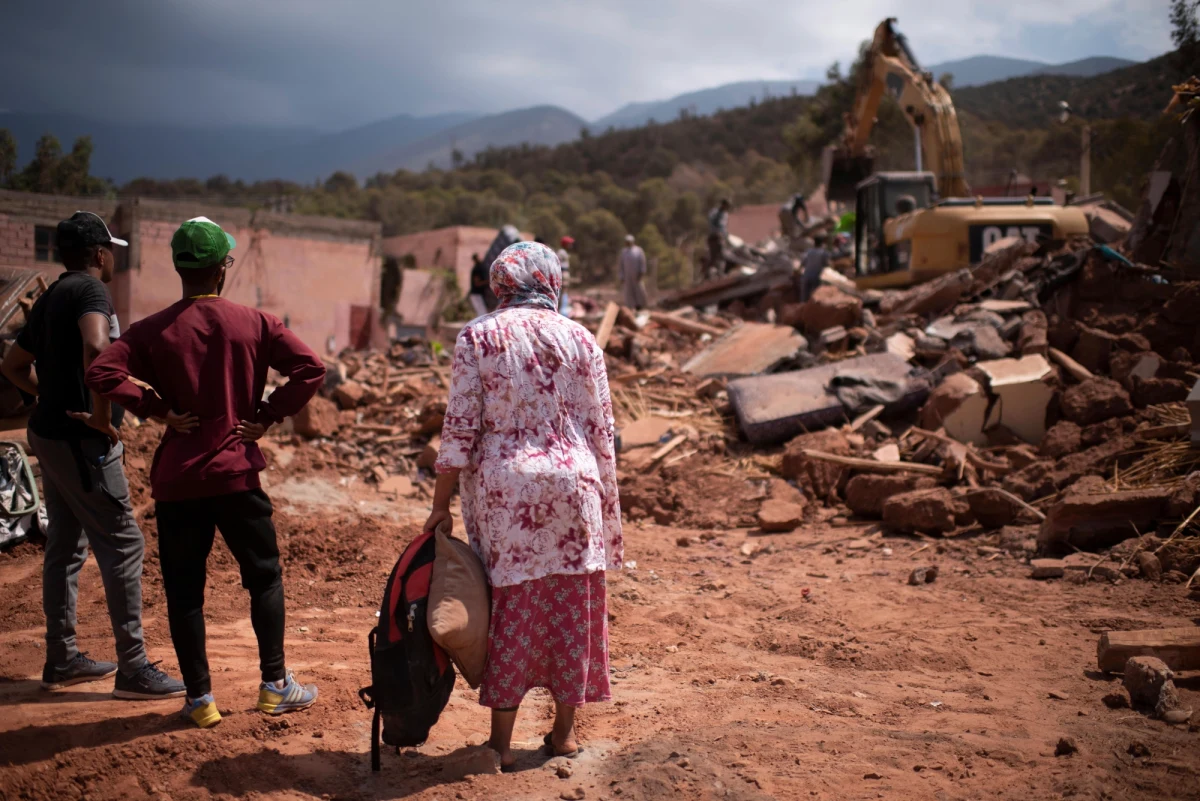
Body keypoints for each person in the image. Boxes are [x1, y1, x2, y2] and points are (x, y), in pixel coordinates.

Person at [84, 217, 326, 729]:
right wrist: (265, 415)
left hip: (179, 481)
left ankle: (200, 700)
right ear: (221, 268)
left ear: (179, 269)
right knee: (263, 577)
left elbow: (101, 371)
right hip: (236, 473)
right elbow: (311, 369)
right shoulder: (257, 323)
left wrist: (155, 408)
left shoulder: (153, 329)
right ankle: (275, 685)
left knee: (184, 591)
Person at [423, 242, 621, 771]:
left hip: (508, 496)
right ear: (551, 281)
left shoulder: (479, 335)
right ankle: (564, 737)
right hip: (576, 489)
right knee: (573, 609)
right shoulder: (582, 339)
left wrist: (440, 506)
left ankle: (502, 746)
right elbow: (603, 431)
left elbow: (459, 427)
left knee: (512, 607)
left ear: (499, 283)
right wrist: (605, 506)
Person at [0, 211, 185, 700]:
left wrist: (46, 399)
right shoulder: (91, 293)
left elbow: (13, 364)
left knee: (64, 546)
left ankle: (61, 658)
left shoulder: (50, 297)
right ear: (100, 253)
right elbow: (97, 348)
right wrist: (102, 418)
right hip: (83, 444)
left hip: (48, 435)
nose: (113, 259)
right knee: (125, 544)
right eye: (111, 251)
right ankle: (134, 668)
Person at [798, 234, 831, 302]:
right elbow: (827, 264)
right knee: (815, 297)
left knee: (804, 298)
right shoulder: (824, 253)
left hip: (806, 276)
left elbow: (802, 263)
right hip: (816, 277)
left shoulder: (808, 252)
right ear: (822, 243)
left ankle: (804, 309)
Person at [618, 234, 647, 310]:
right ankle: (631, 307)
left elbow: (642, 262)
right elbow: (621, 265)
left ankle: (640, 306)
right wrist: (621, 276)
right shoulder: (623, 252)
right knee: (628, 292)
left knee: (639, 290)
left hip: (637, 275)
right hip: (627, 276)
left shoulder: (638, 250)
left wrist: (641, 272)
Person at [707, 197, 732, 275]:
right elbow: (713, 223)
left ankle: (720, 273)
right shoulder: (715, 212)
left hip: (720, 237)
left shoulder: (725, 214)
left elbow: (723, 227)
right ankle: (710, 274)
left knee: (722, 256)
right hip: (714, 237)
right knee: (714, 257)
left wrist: (726, 235)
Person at [556, 236, 574, 316]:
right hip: (562, 273)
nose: (571, 245)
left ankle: (561, 311)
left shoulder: (564, 252)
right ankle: (559, 312)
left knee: (564, 293)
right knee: (561, 293)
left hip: (564, 273)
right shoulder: (561, 252)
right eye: (569, 244)